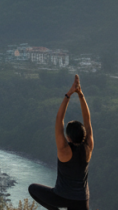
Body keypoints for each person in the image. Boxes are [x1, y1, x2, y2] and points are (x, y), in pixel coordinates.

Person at [28, 75, 93, 210]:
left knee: (33, 189)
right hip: (82, 199)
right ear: (84, 135)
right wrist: (81, 94)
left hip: (61, 197)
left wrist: (68, 95)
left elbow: (59, 119)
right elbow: (87, 120)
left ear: (68, 137)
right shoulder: (88, 147)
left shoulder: (64, 150)